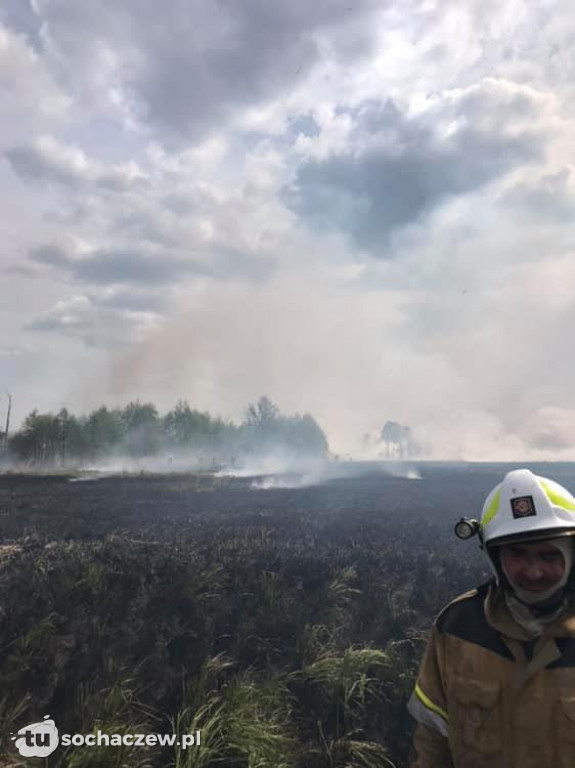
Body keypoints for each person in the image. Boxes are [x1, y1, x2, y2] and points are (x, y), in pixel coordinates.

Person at [407, 468, 575, 768]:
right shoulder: (457, 629)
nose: (534, 572)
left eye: (549, 555)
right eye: (518, 555)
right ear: (495, 558)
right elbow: (433, 740)